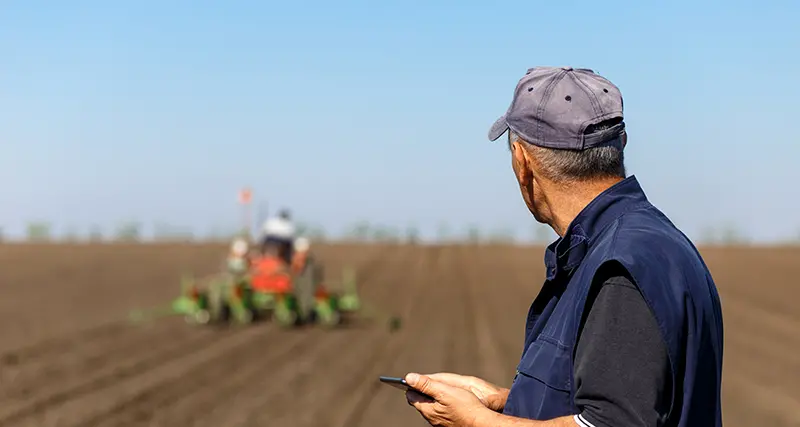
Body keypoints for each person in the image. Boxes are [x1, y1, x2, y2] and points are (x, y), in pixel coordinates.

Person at [403, 67, 724, 427]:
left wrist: (476, 423)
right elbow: (610, 400)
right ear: (622, 144)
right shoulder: (646, 245)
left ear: (522, 162)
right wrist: (506, 402)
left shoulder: (619, 267)